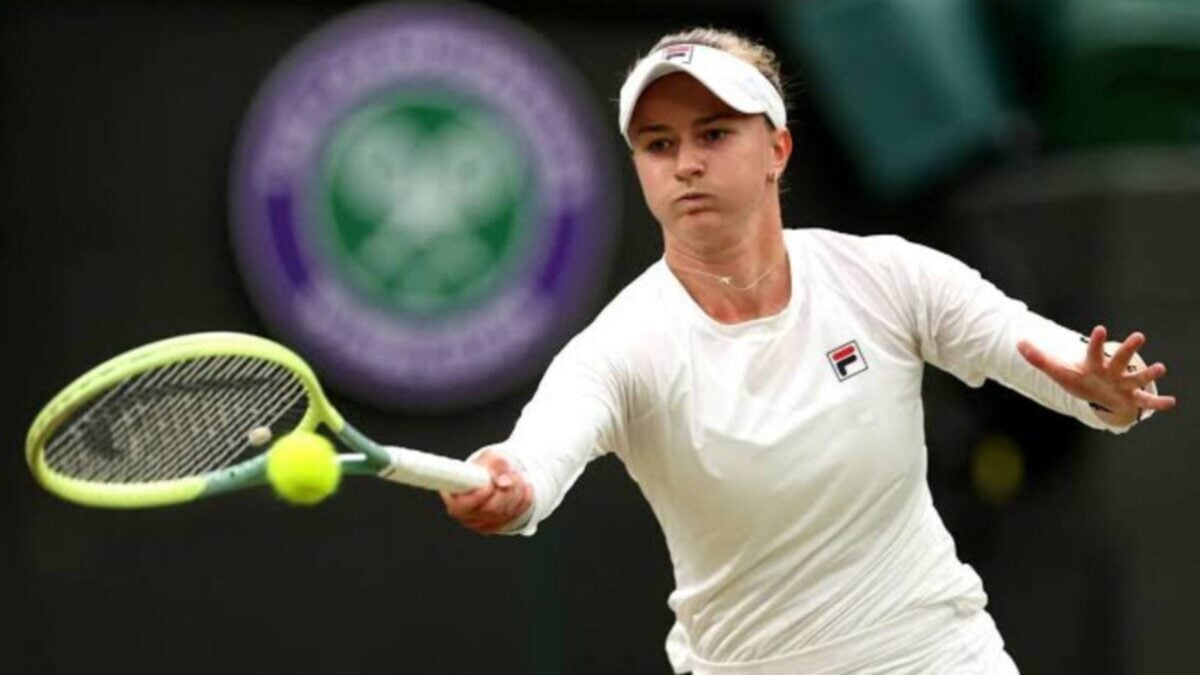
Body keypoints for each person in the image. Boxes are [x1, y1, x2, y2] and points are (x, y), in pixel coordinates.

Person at [441, 27, 1177, 674]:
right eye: (659, 145)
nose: (686, 163)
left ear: (778, 148)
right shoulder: (622, 346)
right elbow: (537, 456)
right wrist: (510, 484)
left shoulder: (887, 275)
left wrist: (1098, 387)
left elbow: (1033, 345)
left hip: (936, 656)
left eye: (714, 133)